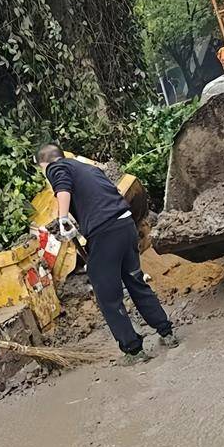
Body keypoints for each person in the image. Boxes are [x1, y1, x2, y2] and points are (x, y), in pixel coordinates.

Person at [35, 143, 177, 362]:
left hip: (106, 231)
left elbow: (62, 187)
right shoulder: (88, 168)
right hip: (125, 225)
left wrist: (63, 218)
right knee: (135, 281)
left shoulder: (57, 167)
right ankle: (167, 333)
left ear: (45, 163)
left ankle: (133, 350)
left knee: (108, 296)